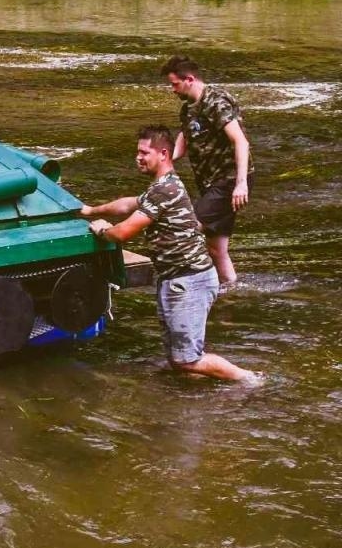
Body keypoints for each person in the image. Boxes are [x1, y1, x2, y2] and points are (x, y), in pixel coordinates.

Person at [79, 127, 259, 383]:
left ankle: (249, 379)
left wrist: (103, 229)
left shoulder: (164, 190)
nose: (138, 157)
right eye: (137, 152)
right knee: (179, 358)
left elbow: (123, 233)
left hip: (189, 281)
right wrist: (90, 210)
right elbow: (128, 203)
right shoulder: (162, 187)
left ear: (163, 153)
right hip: (177, 279)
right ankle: (199, 393)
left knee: (189, 359)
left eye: (144, 152)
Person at [160, 56, 250, 291]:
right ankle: (230, 292)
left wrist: (241, 184)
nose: (172, 90)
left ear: (189, 79)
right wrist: (168, 159)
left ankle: (184, 285)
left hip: (229, 180)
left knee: (186, 226)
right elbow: (185, 134)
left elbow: (240, 141)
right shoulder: (188, 107)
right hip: (211, 182)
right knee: (216, 249)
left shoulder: (216, 102)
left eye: (174, 84)